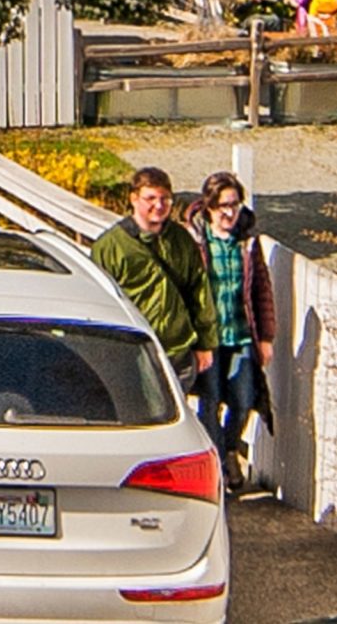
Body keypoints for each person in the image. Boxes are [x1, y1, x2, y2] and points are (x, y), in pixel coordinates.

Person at [183, 170, 276, 491]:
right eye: (222, 206)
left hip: (240, 334)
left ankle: (228, 449)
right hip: (207, 338)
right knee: (210, 400)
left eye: (234, 205)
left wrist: (265, 337)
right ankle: (220, 468)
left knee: (244, 396)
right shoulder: (196, 241)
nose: (228, 212)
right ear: (209, 208)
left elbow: (261, 289)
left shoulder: (246, 242)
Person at [90, 167, 217, 391]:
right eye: (150, 198)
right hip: (134, 351)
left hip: (178, 350)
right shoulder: (110, 246)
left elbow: (198, 290)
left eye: (165, 199)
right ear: (134, 199)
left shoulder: (181, 240)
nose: (158, 206)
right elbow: (98, 301)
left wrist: (205, 343)